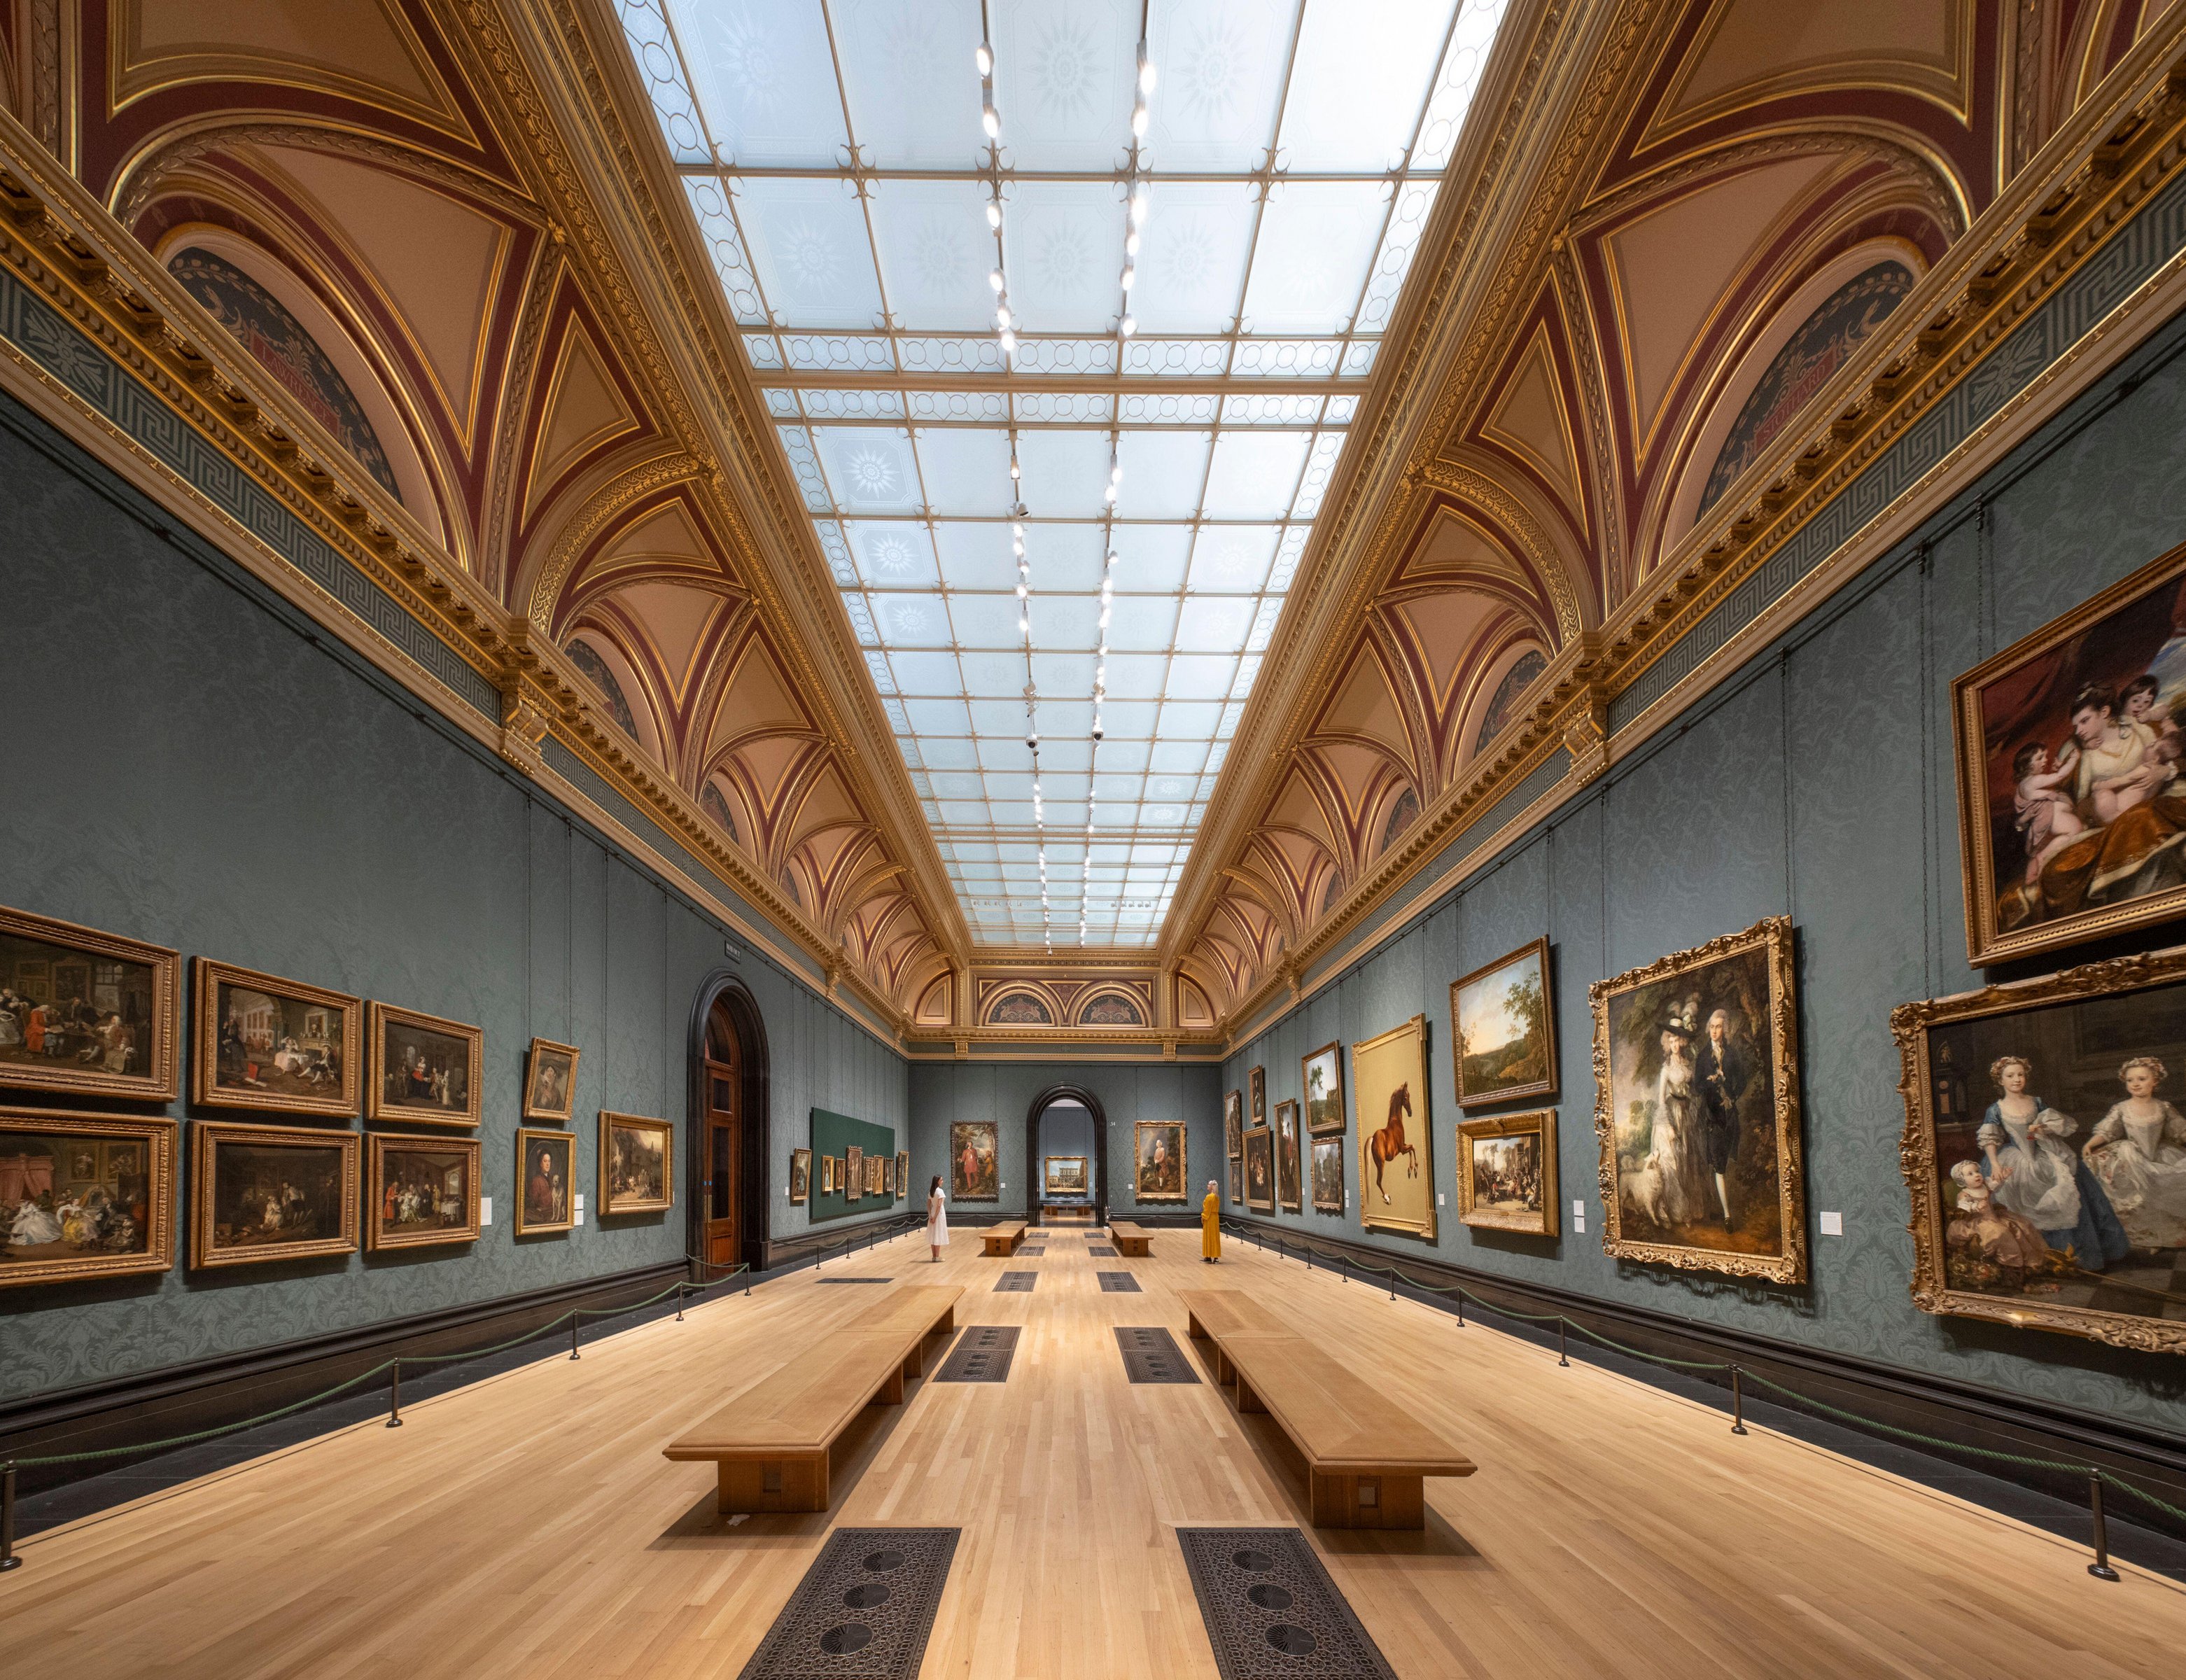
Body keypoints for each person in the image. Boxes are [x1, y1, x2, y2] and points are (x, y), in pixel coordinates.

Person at [1975, 1055, 2129, 1270]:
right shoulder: (1996, 1109)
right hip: (2015, 1162)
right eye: (2010, 1076)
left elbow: (2048, 1129)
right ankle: (2034, 1257)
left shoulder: (2036, 1102)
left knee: (2071, 1193)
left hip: (2044, 1155)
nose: (2017, 1079)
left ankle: (2069, 1255)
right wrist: (1996, 1165)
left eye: (2021, 1075)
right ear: (2001, 1081)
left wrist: (2040, 1131)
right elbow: (1990, 1139)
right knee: (2018, 1204)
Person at [2083, 1056, 2186, 1251]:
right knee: (2135, 1195)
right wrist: (2091, 1143)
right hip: (2131, 1157)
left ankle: (2161, 1235)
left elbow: (2180, 1130)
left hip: (2158, 1156)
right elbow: (2108, 1130)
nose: (2135, 1084)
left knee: (2167, 1187)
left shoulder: (2163, 1107)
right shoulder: (2122, 1108)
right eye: (2130, 1080)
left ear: (2155, 1081)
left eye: (2142, 1079)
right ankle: (2144, 1236)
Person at [1648, 1010, 1708, 1226]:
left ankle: (1691, 1210)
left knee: (1689, 1159)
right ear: (1667, 1042)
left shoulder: (1687, 1064)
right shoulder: (1666, 1069)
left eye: (1677, 1040)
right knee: (1673, 1160)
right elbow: (1661, 1100)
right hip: (1671, 1114)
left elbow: (1693, 1089)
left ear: (1682, 1041)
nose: (1674, 1044)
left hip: (1687, 1113)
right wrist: (1668, 1126)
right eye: (1671, 1040)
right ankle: (1679, 1212)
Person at [1695, 1006, 1749, 1226]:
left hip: (1729, 1116)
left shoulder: (1733, 1054)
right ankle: (1727, 1216)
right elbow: (1696, 1086)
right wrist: (1709, 1082)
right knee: (1718, 1164)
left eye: (1718, 1027)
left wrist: (1733, 1094)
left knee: (1725, 1161)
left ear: (1724, 1029)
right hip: (1712, 1116)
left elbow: (1743, 1079)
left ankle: (1721, 1208)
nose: (1715, 1031)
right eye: (1712, 1027)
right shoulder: (1702, 1056)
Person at [926, 1172, 948, 1264]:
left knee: (933, 1235)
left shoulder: (931, 1192)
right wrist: (934, 1217)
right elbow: (939, 1206)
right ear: (937, 1181)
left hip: (932, 1213)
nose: (942, 1181)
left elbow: (928, 1204)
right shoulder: (940, 1191)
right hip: (939, 1215)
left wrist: (930, 1215)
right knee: (938, 1234)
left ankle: (934, 1256)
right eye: (941, 1180)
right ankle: (937, 1256)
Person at [1201, 1179, 1220, 1263]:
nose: (1207, 1186)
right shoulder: (1217, 1197)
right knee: (1215, 1238)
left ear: (1212, 1187)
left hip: (1209, 1219)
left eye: (1209, 1185)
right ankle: (1216, 1257)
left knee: (1208, 1237)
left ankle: (1208, 1256)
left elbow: (1207, 1209)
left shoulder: (1209, 1197)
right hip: (1215, 1218)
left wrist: (1203, 1217)